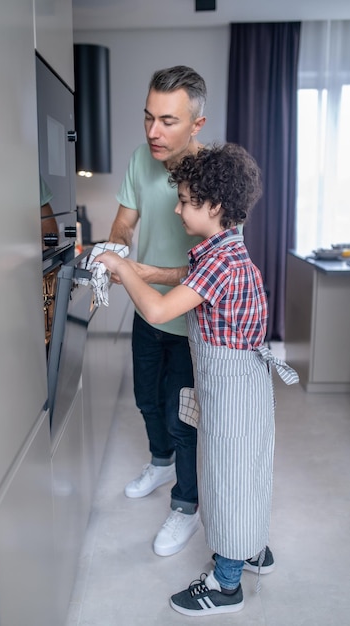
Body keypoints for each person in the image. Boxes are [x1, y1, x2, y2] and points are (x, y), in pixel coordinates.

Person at [97, 143, 299, 615]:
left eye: (186, 200)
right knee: (248, 472)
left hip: (232, 390)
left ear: (216, 207)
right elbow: (183, 279)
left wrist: (124, 268)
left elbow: (160, 309)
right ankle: (253, 550)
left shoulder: (219, 262)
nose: (176, 207)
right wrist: (141, 269)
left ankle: (227, 583)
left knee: (226, 480)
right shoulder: (222, 250)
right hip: (238, 384)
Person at [107, 65, 207, 557]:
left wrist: (143, 273)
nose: (153, 132)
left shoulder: (213, 176)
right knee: (147, 400)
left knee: (181, 417)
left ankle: (186, 506)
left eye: (167, 120)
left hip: (192, 326)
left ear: (196, 125)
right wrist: (117, 249)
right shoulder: (140, 160)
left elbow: (213, 264)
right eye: (148, 117)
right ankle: (159, 462)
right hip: (147, 317)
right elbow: (124, 223)